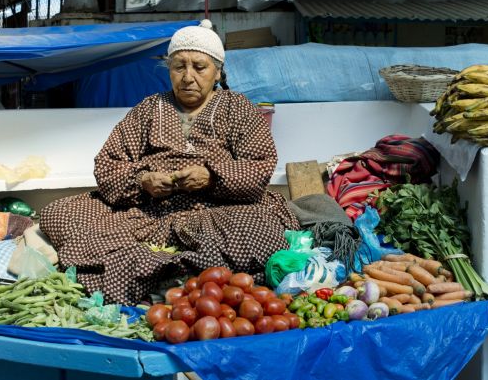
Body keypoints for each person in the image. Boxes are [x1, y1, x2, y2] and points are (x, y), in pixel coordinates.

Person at [40, 20, 300, 304]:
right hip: (149, 212)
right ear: (169, 70)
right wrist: (142, 180)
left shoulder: (237, 108)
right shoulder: (150, 108)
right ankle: (180, 277)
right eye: (179, 67)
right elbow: (108, 163)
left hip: (218, 209)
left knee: (262, 230)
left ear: (217, 72)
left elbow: (259, 164)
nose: (188, 77)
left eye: (199, 67)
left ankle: (171, 276)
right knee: (59, 213)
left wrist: (211, 176)